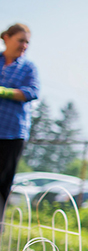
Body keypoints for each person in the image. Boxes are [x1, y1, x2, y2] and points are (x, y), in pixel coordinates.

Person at [0, 23, 39, 222]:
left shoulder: (28, 68)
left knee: (2, 183)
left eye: (27, 42)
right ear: (7, 37)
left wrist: (4, 91)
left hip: (12, 133)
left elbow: (32, 92)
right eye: (20, 40)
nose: (24, 45)